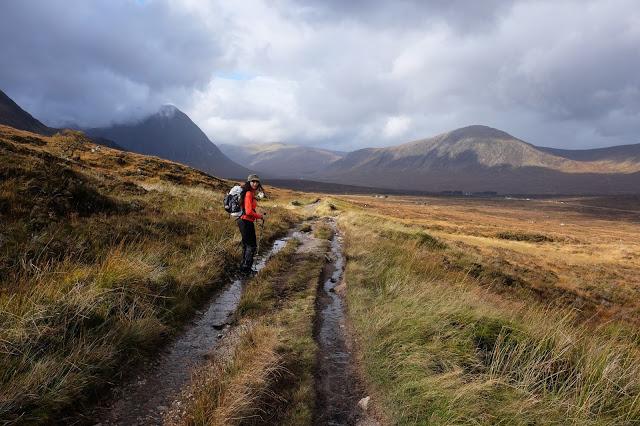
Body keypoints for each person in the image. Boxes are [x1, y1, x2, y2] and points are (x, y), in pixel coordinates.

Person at [237, 174, 265, 275]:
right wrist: (259, 216)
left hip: (244, 221)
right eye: (253, 181)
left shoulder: (250, 193)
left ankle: (243, 268)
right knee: (251, 246)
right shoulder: (248, 193)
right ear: (249, 182)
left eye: (257, 182)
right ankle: (246, 270)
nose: (255, 183)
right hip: (246, 221)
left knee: (246, 245)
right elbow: (248, 211)